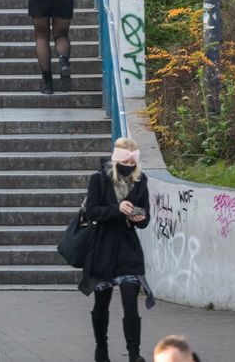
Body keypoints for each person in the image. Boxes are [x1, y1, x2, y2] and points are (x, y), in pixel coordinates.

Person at [80, 137, 153, 362]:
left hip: (128, 249)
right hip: (103, 248)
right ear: (116, 160)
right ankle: (101, 349)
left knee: (131, 305)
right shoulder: (99, 179)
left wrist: (140, 217)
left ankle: (134, 354)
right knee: (101, 304)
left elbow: (145, 217)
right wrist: (117, 209)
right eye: (125, 163)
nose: (129, 167)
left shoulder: (140, 180)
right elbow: (92, 211)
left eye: (132, 163)